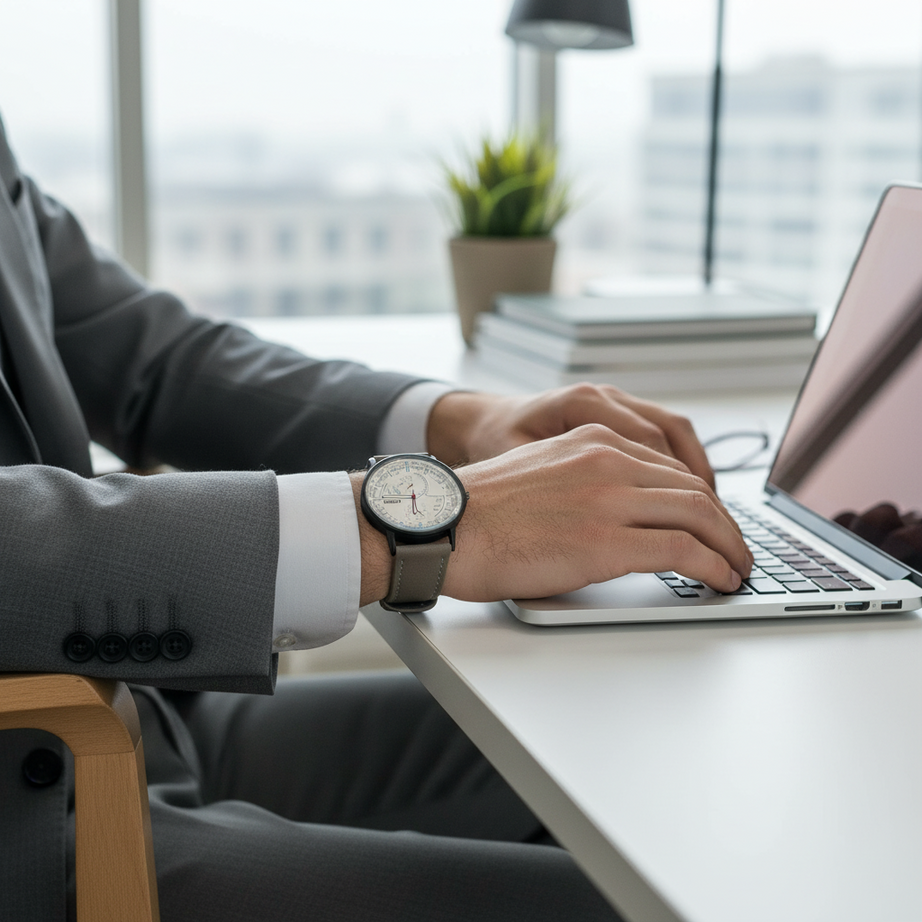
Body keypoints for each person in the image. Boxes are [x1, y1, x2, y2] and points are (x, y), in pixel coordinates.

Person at [0, 112, 752, 922]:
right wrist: (405, 522)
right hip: (34, 816)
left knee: (647, 738)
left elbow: (151, 360)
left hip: (147, 718)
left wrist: (456, 423)